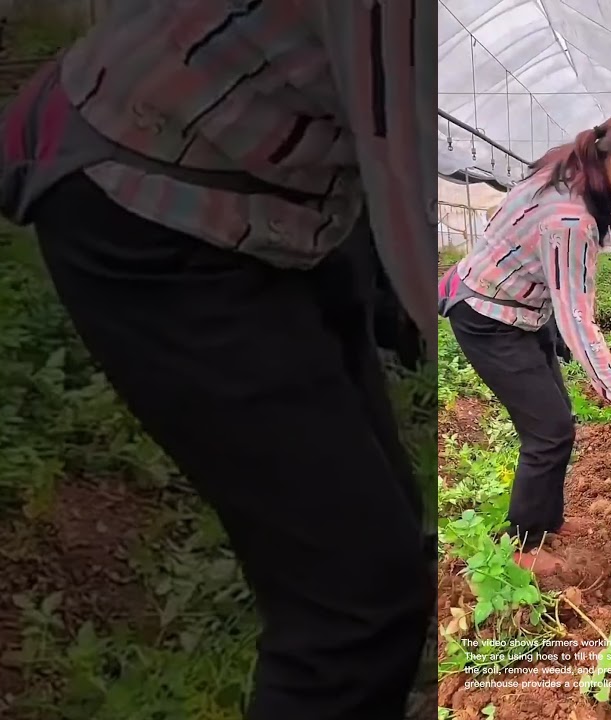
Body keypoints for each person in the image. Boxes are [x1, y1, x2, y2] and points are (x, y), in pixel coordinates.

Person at [0, 3, 434, 719]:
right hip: (153, 201)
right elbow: (409, 178)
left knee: (382, 527)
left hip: (289, 200)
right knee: (355, 601)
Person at [437, 103, 611, 575]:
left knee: (559, 420)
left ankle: (544, 521)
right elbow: (578, 320)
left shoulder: (570, 169)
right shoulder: (572, 219)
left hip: (520, 310)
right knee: (548, 431)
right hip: (488, 316)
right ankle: (523, 547)